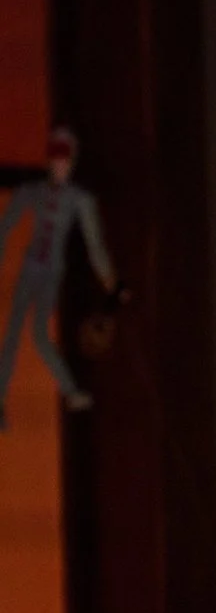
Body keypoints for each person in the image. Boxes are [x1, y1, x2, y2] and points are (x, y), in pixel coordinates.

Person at [0, 125, 115, 422]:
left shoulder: (79, 201)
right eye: (54, 158)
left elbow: (95, 244)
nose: (59, 165)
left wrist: (110, 281)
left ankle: (71, 390)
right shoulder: (34, 192)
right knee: (14, 331)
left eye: (64, 159)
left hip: (51, 273)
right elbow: (7, 224)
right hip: (30, 268)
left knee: (38, 333)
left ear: (71, 161)